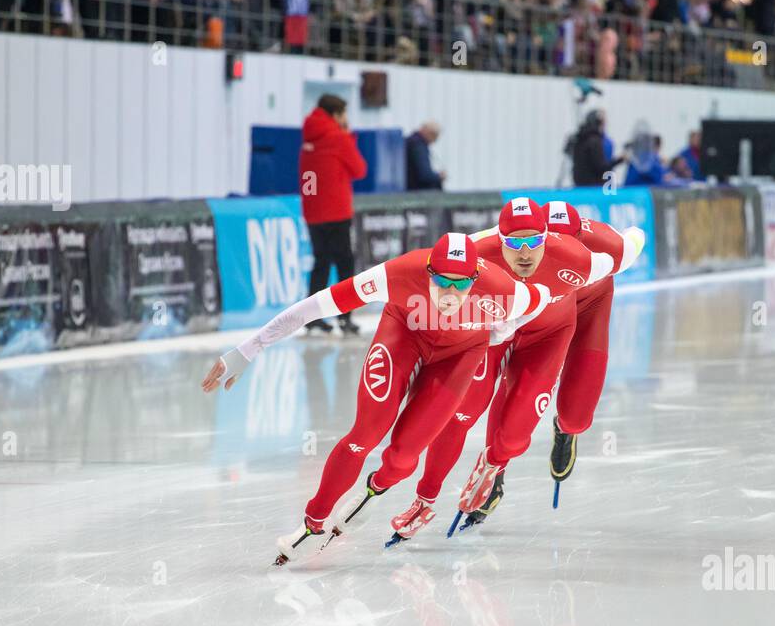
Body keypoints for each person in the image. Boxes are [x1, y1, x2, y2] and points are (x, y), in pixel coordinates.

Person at [200, 232, 552, 565]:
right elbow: (314, 308)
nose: (451, 292)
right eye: (442, 281)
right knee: (366, 435)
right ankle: (313, 521)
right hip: (405, 335)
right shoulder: (397, 273)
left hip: (459, 355)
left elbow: (540, 300)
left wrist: (501, 331)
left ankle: (377, 488)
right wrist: (248, 350)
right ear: (428, 271)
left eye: (461, 284)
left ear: (475, 279)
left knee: (403, 457)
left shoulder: (505, 291)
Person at [401, 198, 646, 536]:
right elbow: (437, 264)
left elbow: (635, 238)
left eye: (547, 243)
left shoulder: (599, 251)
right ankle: (486, 474)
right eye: (522, 243)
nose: (532, 253)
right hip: (508, 321)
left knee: (575, 417)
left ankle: (559, 431)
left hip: (576, 312)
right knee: (467, 407)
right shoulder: (496, 246)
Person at [542, 201, 629, 502]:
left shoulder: (610, 245)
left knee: (577, 418)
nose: (563, 254)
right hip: (544, 317)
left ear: (582, 237)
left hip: (590, 308)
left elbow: (635, 240)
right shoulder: (521, 246)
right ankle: (495, 470)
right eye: (554, 245)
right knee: (513, 407)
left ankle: (565, 430)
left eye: (570, 244)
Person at [300, 94, 367, 335]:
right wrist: (349, 136)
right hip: (337, 211)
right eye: (345, 114)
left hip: (313, 212)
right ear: (336, 115)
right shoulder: (338, 138)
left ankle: (311, 318)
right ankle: (345, 317)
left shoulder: (309, 137)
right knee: (344, 264)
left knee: (321, 262)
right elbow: (359, 169)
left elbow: (308, 178)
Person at [571, 110, 624, 187]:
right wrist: (620, 160)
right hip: (593, 188)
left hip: (580, 187)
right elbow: (601, 167)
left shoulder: (580, 139)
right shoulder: (594, 141)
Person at [405, 121, 445, 190]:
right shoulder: (418, 146)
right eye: (434, 135)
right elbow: (424, 175)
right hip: (416, 190)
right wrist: (439, 176)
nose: (434, 140)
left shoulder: (411, 141)